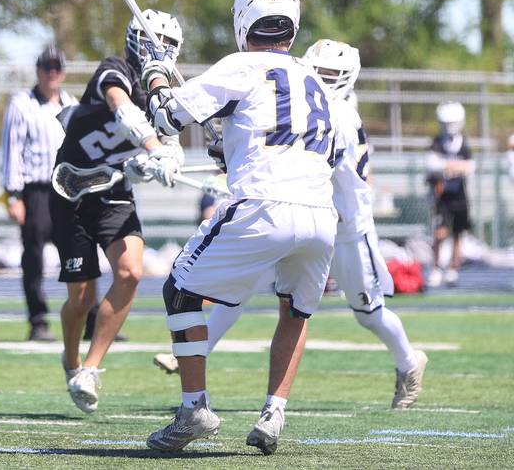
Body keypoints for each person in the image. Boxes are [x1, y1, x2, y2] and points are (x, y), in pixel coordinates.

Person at [154, 39, 429, 412]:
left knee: (368, 312)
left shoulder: (341, 115)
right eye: (320, 72)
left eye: (331, 74)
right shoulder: (302, 99)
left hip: (345, 225)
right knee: (240, 284)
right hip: (299, 212)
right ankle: (199, 354)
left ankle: (409, 362)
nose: (323, 79)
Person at [140, 0, 338, 455]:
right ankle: (274, 413)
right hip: (320, 214)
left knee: (180, 290)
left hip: (264, 206)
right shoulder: (313, 78)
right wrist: (227, 147)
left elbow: (166, 118)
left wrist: (155, 73)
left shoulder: (241, 64)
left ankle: (194, 409)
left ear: (242, 21)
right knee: (296, 309)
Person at [50, 9, 185, 413]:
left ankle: (91, 369)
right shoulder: (116, 70)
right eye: (153, 41)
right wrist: (152, 148)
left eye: (168, 45)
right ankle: (71, 360)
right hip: (72, 187)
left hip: (113, 192)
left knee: (130, 272)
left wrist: (163, 160)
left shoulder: (164, 98)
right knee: (82, 296)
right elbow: (120, 105)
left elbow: (167, 143)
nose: (159, 51)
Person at [0, 45, 78, 341]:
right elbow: (12, 149)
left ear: (63, 71)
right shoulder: (22, 103)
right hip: (35, 191)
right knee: (34, 257)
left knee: (78, 254)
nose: (52, 73)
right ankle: (38, 320)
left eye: (56, 67)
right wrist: (13, 195)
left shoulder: (70, 103)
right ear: (38, 70)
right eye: (47, 67)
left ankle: (89, 316)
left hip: (67, 188)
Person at [425, 102, 474, 287]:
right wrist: (453, 167)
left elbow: (469, 167)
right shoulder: (438, 142)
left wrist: (447, 166)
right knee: (439, 233)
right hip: (442, 196)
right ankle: (436, 268)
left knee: (458, 234)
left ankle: (453, 269)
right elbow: (432, 164)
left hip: (459, 196)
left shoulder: (463, 143)